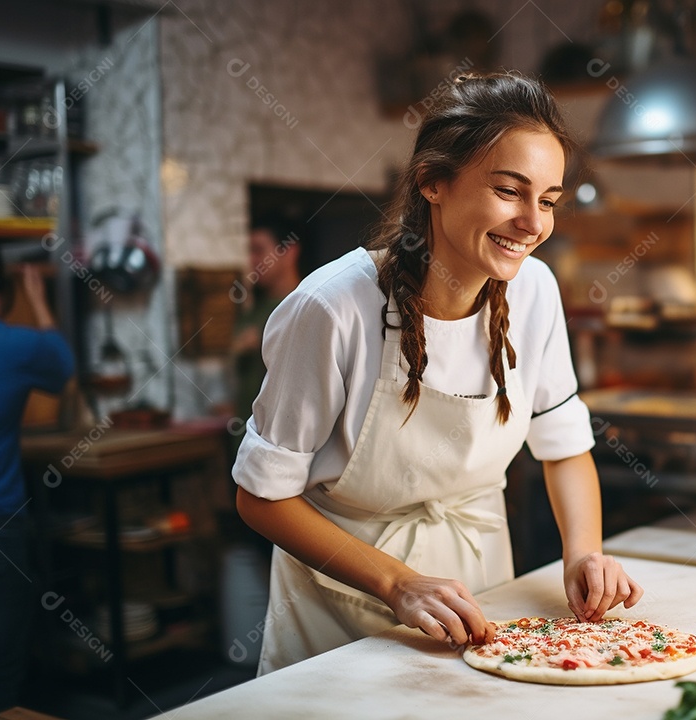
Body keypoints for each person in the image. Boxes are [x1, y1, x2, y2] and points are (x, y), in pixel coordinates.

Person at [233, 71, 643, 674]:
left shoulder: (534, 293)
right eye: (510, 190)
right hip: (342, 610)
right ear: (433, 182)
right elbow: (260, 498)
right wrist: (399, 584)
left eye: (549, 200)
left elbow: (563, 447)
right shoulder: (333, 309)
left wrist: (584, 554)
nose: (534, 223)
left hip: (480, 596)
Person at [0, 250, 74, 712]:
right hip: (0, 524)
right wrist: (38, 300)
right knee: (1, 664)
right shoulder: (13, 344)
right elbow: (62, 367)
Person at [230, 215, 303, 437]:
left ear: (289, 252)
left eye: (259, 250)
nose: (252, 260)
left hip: (283, 442)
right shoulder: (252, 311)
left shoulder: (304, 305)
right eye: (249, 252)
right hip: (245, 438)